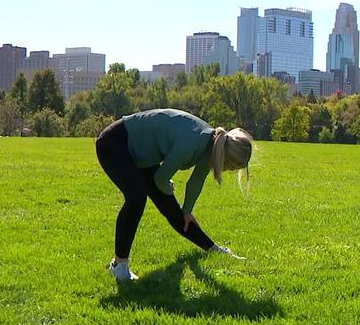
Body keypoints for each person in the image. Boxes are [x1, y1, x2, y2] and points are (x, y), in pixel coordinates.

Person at [95, 108, 253, 282]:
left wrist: (187, 211)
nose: (226, 170)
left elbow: (196, 181)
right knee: (136, 198)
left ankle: (213, 249)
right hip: (115, 143)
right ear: (225, 157)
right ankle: (119, 265)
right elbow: (161, 178)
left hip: (144, 154)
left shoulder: (213, 145)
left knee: (174, 211)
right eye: (230, 167)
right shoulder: (191, 143)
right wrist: (166, 185)